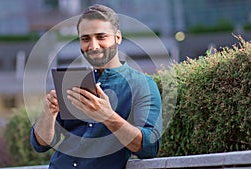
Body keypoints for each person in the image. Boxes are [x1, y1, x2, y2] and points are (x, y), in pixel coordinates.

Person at [31, 4, 162, 169]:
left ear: (118, 38)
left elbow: (149, 148)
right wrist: (48, 114)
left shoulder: (143, 86)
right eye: (85, 39)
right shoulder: (72, 82)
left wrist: (107, 116)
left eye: (101, 36)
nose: (93, 46)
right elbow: (41, 144)